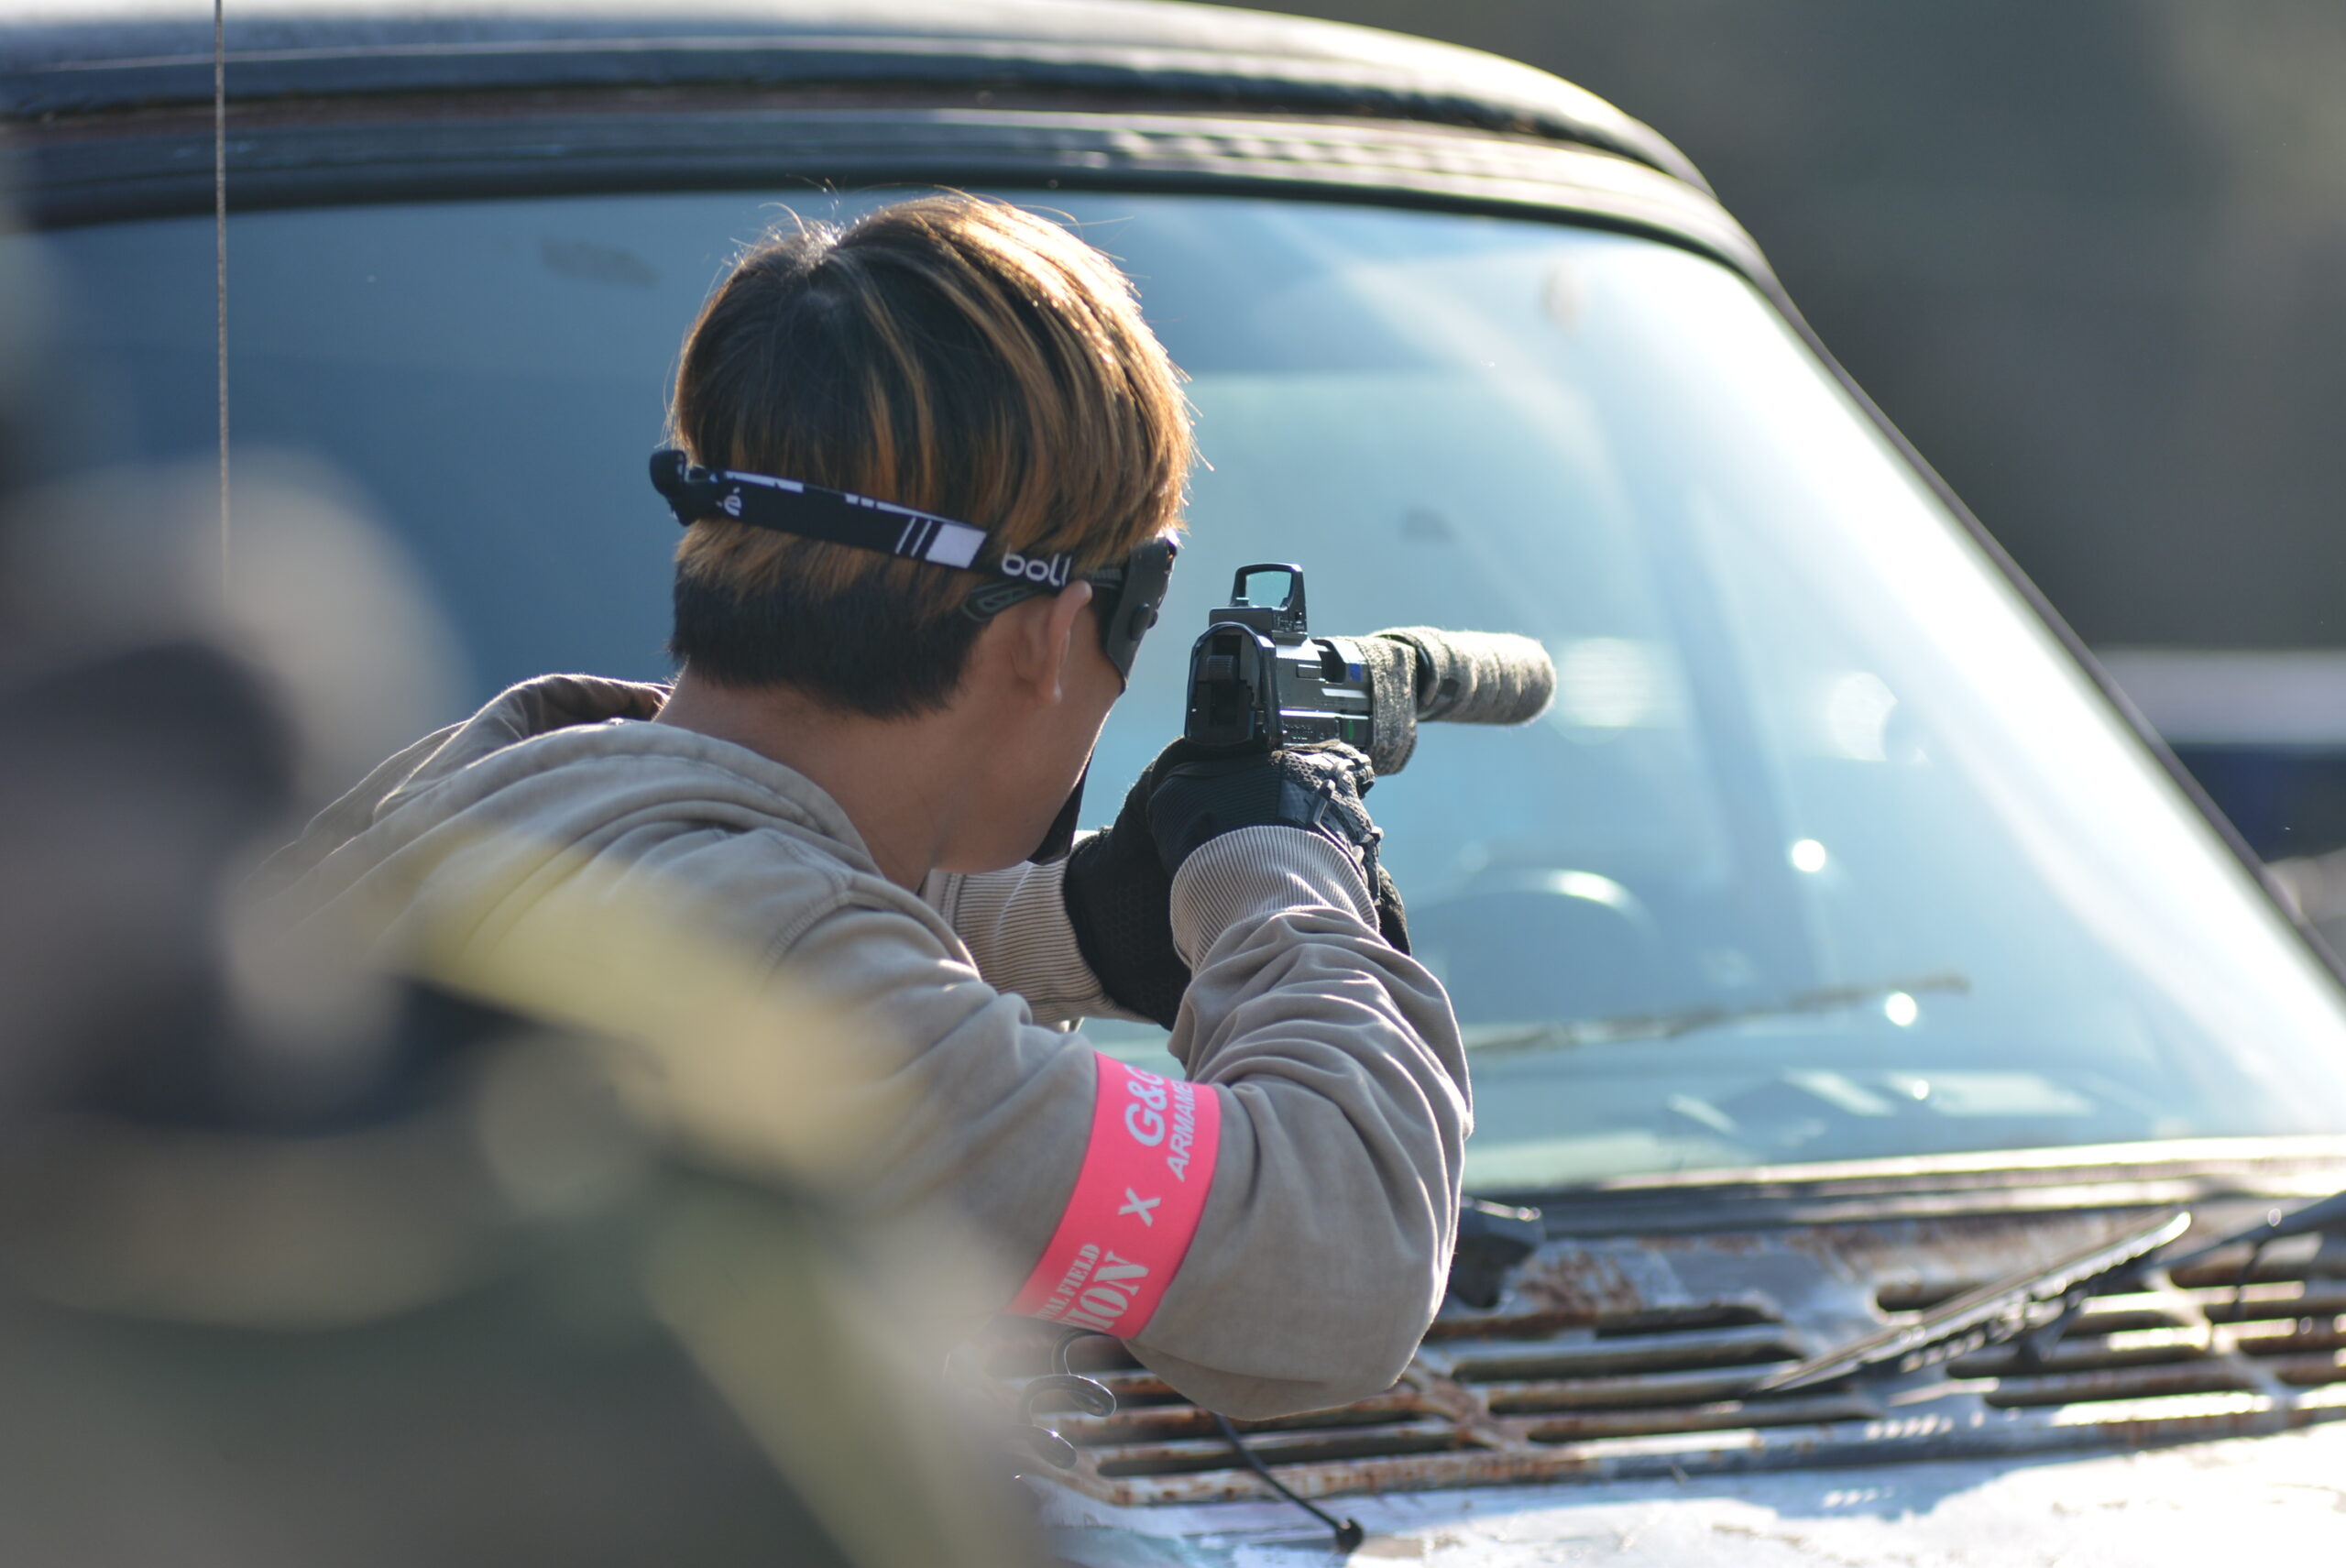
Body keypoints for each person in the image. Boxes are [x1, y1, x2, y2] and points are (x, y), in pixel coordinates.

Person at [264, 193, 1470, 1420]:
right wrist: (1283, 866)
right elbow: (1342, 1257)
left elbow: (791, 882)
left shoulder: (503, 786)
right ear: (1053, 633)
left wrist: (1085, 925)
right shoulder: (800, 987)